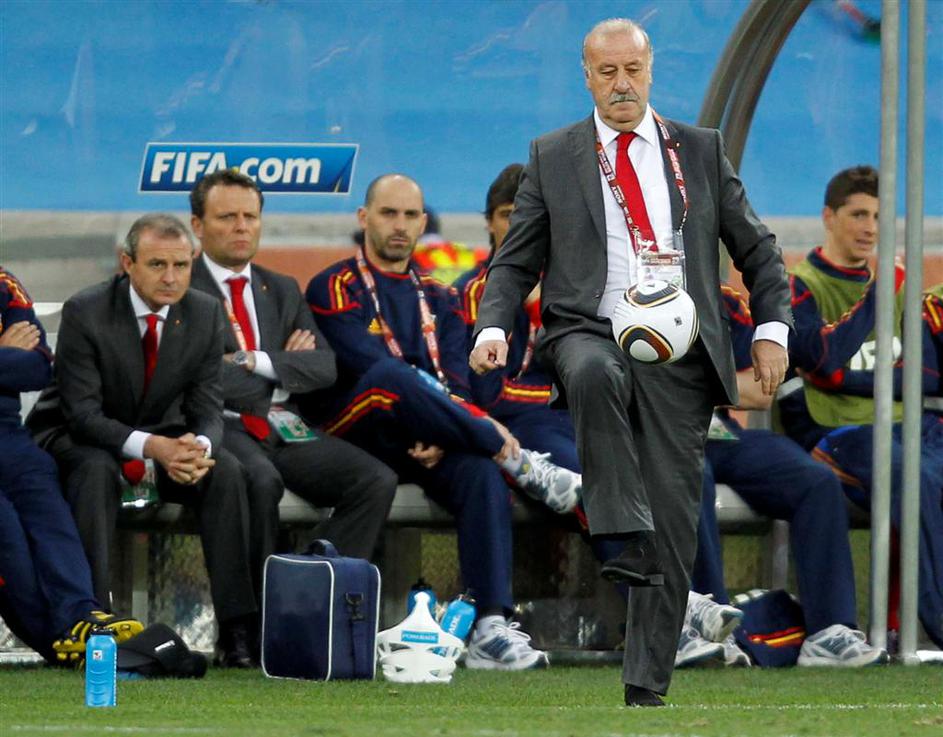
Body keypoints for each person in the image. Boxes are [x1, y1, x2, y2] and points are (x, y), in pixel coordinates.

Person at [469, 19, 791, 705]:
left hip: (679, 349)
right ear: (586, 77)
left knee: (673, 519)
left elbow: (759, 251)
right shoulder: (553, 155)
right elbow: (515, 261)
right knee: (592, 372)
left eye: (632, 70)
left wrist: (770, 332)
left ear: (650, 71)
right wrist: (492, 325)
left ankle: (645, 685)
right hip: (588, 327)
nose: (621, 84)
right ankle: (619, 531)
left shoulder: (699, 149)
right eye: (607, 72)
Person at [305, 173, 581, 671]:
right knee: (390, 375)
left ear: (422, 223)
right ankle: (519, 461)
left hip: (429, 439)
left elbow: (458, 380)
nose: (399, 225)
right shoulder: (333, 285)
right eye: (388, 213)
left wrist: (440, 426)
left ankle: (490, 626)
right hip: (358, 430)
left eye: (410, 215)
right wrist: (449, 422)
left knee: (480, 473)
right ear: (364, 218)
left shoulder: (439, 295)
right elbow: (364, 364)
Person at [28, 214, 259, 667]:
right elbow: (82, 415)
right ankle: (92, 624)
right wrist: (156, 448)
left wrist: (198, 449)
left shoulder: (204, 311)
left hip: (165, 438)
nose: (170, 278)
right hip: (76, 435)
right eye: (157, 265)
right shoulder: (87, 310)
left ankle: (237, 633)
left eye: (181, 265)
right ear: (127, 263)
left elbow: (208, 407)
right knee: (95, 470)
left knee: (225, 471)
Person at [188, 170, 397, 594]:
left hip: (287, 427)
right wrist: (282, 368)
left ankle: (306, 589)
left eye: (250, 216)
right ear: (198, 225)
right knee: (261, 481)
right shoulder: (182, 287)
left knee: (376, 480)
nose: (242, 227)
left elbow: (323, 367)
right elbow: (199, 377)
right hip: (223, 427)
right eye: (227, 217)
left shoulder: (280, 288)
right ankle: (258, 616)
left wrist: (252, 360)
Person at [780, 165, 943, 649]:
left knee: (920, 468)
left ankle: (898, 625)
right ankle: (934, 621)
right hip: (836, 434)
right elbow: (820, 357)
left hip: (905, 425)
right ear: (828, 217)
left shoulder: (900, 287)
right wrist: (876, 297)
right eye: (858, 214)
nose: (870, 227)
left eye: (878, 216)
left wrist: (843, 380)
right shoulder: (798, 285)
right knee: (914, 476)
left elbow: (924, 375)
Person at [683, 284, 887, 668]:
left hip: (721, 433)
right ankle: (707, 627)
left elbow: (761, 388)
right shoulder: (626, 296)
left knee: (816, 481)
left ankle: (828, 631)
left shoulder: (721, 299)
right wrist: (718, 384)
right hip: (659, 436)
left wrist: (678, 386)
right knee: (691, 474)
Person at [0, 267, 142, 665]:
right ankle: (58, 641)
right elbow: (16, 365)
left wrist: (10, 356)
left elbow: (37, 369)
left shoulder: (5, 285)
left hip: (7, 435)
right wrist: (5, 354)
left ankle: (81, 615)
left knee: (45, 498)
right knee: (6, 531)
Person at [455, 163, 580, 486]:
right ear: (489, 222)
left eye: (527, 214)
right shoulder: (472, 293)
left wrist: (539, 308)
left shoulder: (569, 287)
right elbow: (490, 396)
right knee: (593, 480)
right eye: (507, 215)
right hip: (520, 428)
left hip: (572, 422)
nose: (517, 225)